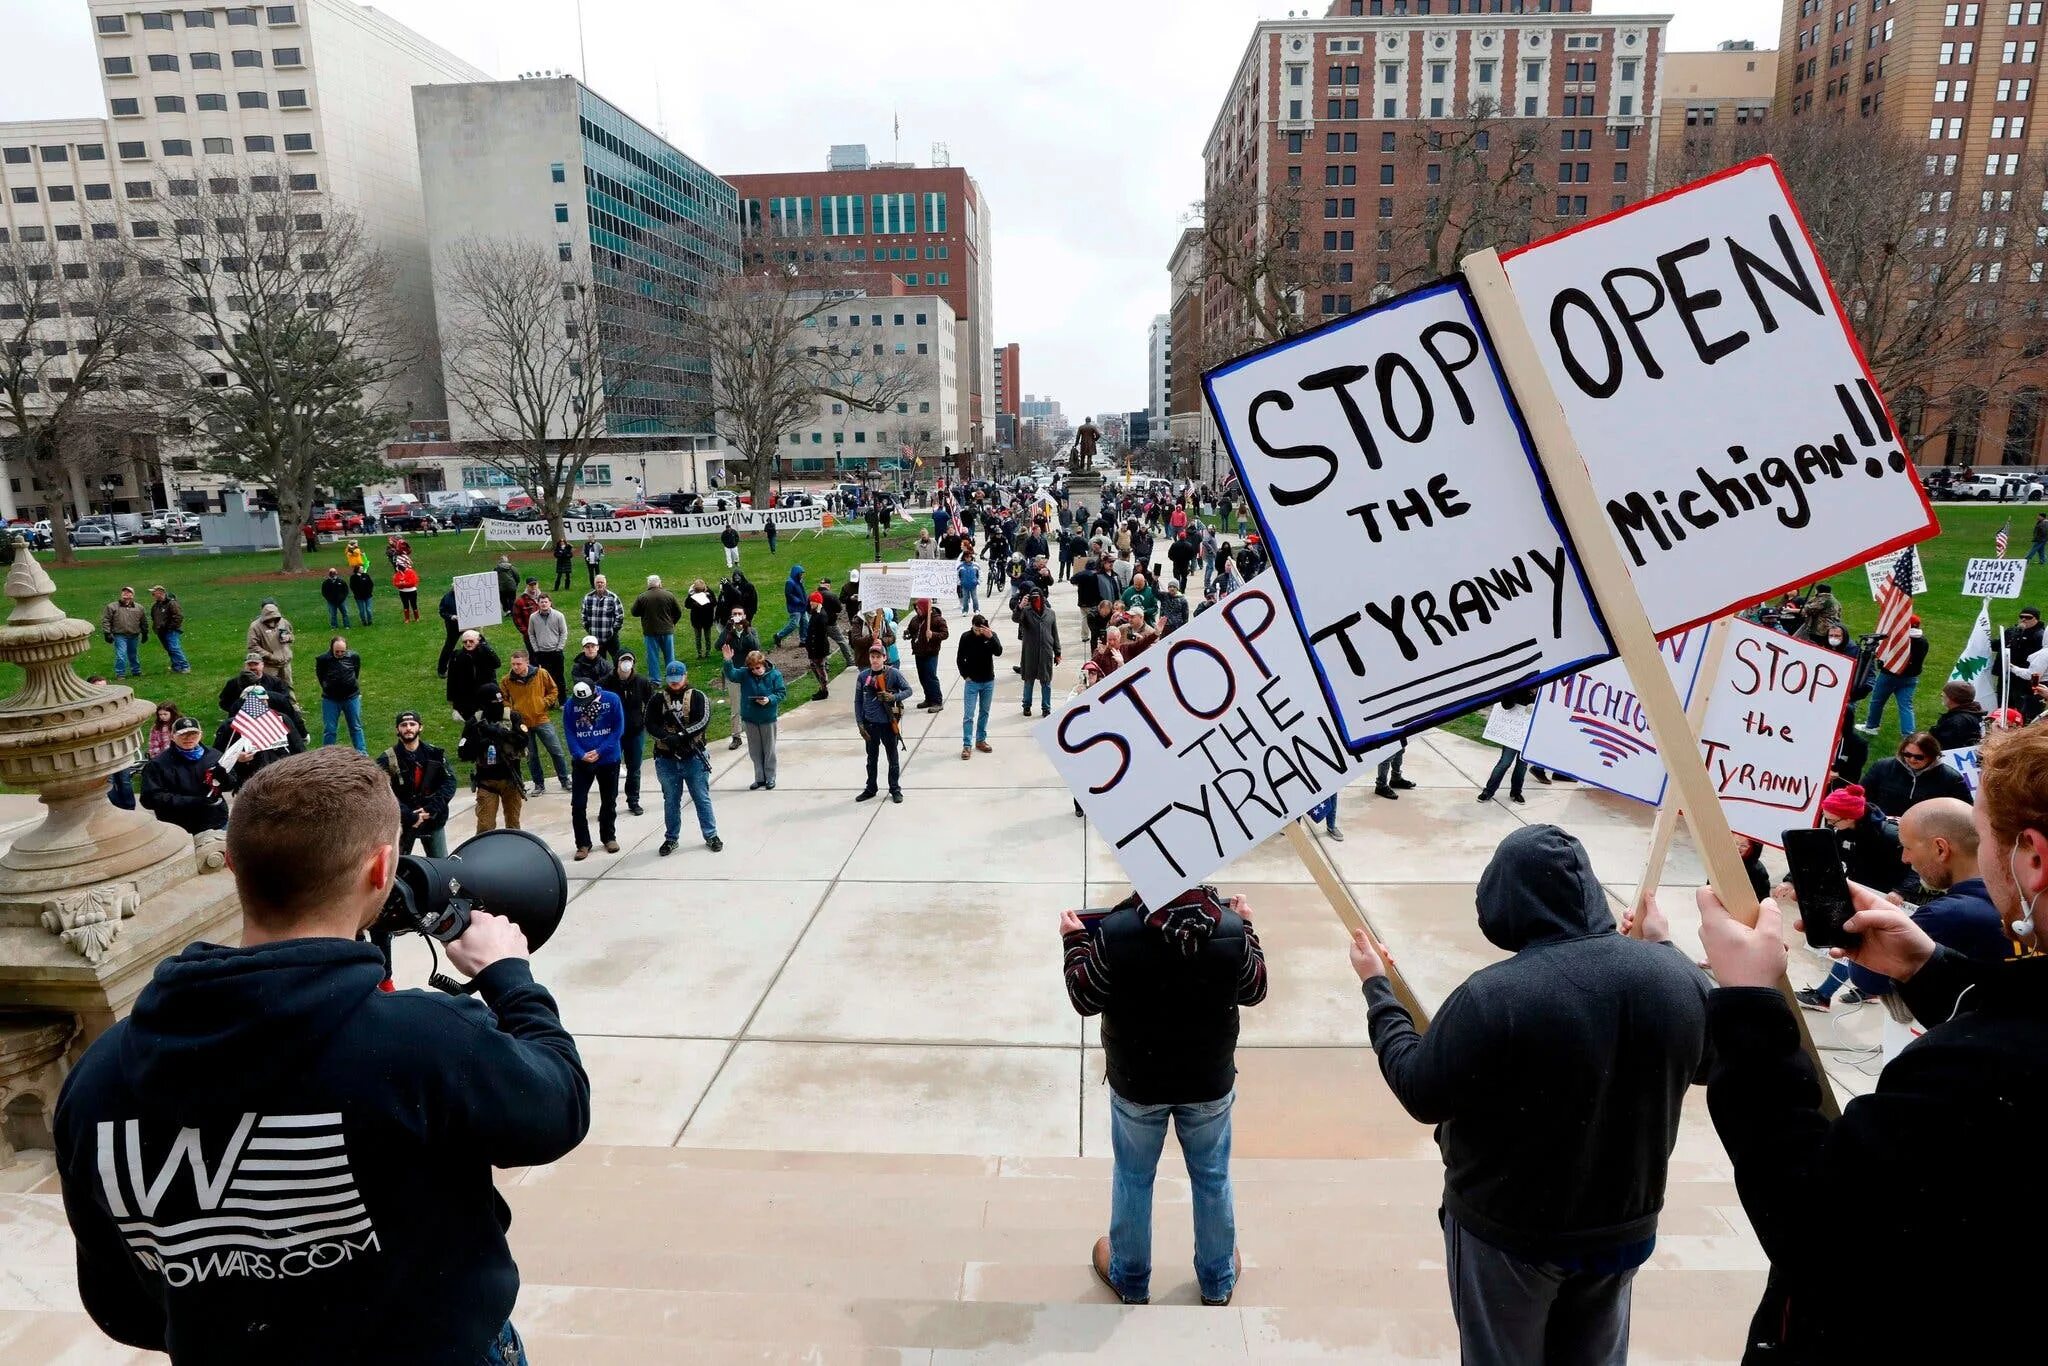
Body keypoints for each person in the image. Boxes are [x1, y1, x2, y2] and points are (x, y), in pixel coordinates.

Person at [53, 749, 588, 1365]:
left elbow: (121, 1305)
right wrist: (509, 979)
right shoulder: (423, 1044)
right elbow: (557, 1108)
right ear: (382, 866)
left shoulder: (98, 1077)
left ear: (232, 865)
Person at [1692, 724, 2048, 1364]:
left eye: (1989, 831)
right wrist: (1932, 969)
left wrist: (1749, 1004)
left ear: (2033, 858)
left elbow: (1813, 1220)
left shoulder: (1974, 1075)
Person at [1349, 825, 1711, 1364]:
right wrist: (1663, 946)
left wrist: (1378, 990)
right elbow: (1712, 1061)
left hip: (1509, 1233)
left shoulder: (1492, 996)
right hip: (1624, 1226)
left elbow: (1420, 1090)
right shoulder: (1676, 978)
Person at [1063, 885, 1266, 1307]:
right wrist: (1247, 928)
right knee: (1212, 1177)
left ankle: (1131, 1279)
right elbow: (1255, 988)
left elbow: (1084, 997)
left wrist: (1074, 942)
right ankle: (1217, 1279)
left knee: (1134, 1177)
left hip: (1138, 1081)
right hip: (1209, 1081)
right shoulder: (1228, 928)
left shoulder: (1116, 931)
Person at [1797, 796, 2011, 1009]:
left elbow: (1870, 980)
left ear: (1940, 849)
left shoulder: (1943, 915)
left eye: (1907, 848)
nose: (1905, 859)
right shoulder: (2024, 901)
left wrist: (1866, 937)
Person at [646, 661, 720, 855]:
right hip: (666, 758)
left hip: (693, 756)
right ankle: (671, 838)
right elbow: (650, 724)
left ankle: (711, 835)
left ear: (685, 676)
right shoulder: (657, 700)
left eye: (678, 680)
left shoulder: (697, 696)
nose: (675, 684)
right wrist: (665, 737)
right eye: (671, 681)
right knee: (670, 800)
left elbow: (702, 721)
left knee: (701, 797)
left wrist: (680, 736)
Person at [138, 715, 236, 834]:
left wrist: (224, 777)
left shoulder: (215, 756)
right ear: (172, 737)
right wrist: (192, 801)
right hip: (178, 827)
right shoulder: (158, 764)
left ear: (201, 735)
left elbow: (230, 785)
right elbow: (149, 799)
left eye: (193, 734)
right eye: (183, 734)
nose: (188, 738)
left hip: (215, 821)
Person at [378, 710, 456, 856]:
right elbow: (382, 791)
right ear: (397, 729)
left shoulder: (435, 754)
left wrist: (431, 809)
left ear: (420, 727)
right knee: (397, 869)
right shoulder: (387, 759)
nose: (408, 728)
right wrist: (409, 815)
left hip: (433, 819)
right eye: (403, 725)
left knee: (440, 864)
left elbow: (449, 782)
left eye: (412, 724)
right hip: (402, 821)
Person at [562, 679, 624, 860]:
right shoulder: (570, 705)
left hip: (607, 758)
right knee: (578, 804)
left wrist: (600, 750)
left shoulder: (611, 700)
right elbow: (569, 731)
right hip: (582, 761)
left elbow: (618, 728)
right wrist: (579, 754)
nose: (581, 705)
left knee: (609, 800)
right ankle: (582, 843)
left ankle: (608, 837)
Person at [460, 682, 530, 833]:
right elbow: (463, 752)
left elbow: (524, 740)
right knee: (485, 826)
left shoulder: (512, 717)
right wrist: (482, 742)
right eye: (493, 702)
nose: (498, 705)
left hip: (511, 780)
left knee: (513, 825)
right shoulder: (474, 722)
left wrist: (500, 733)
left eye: (500, 701)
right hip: (487, 781)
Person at [1860, 731, 1973, 821]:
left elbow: (1965, 812)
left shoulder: (1951, 779)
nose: (1912, 760)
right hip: (1882, 827)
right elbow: (1862, 795)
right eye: (1907, 754)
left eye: (1919, 757)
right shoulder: (1882, 767)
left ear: (1932, 755)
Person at [503, 648, 571, 797]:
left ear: (526, 662)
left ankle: (565, 779)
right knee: (531, 756)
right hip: (522, 724)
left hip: (541, 718)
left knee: (556, 750)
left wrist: (545, 703)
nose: (515, 667)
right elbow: (504, 698)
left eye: (518, 664)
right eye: (513, 664)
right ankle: (538, 784)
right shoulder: (507, 680)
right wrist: (511, 711)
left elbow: (553, 690)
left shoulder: (541, 674)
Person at [853, 641, 913, 804]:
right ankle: (871, 788)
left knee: (892, 758)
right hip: (870, 724)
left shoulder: (893, 674)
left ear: (885, 658)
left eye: (878, 657)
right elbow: (858, 701)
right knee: (871, 759)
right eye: (872, 657)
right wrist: (860, 723)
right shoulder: (863, 676)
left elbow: (908, 690)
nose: (874, 660)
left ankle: (895, 788)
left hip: (888, 723)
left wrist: (893, 697)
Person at [723, 646, 787, 789]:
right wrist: (728, 661)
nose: (755, 671)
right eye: (752, 669)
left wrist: (769, 699)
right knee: (755, 750)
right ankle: (759, 778)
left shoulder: (775, 675)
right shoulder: (745, 674)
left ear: (763, 664)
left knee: (768, 749)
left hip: (767, 718)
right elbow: (732, 675)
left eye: (757, 668)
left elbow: (781, 693)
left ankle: (770, 777)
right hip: (750, 718)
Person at [604, 651, 655, 817]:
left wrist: (645, 721)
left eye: (629, 660)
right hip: (613, 735)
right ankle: (608, 805)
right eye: (623, 660)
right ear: (617, 662)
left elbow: (651, 703)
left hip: (635, 732)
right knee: (611, 770)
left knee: (634, 769)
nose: (626, 663)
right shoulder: (607, 682)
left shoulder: (641, 682)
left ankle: (633, 800)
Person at [1860, 615, 1928, 734]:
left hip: (1889, 676)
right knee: (1906, 706)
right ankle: (1908, 735)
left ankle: (1872, 726)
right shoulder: (1923, 641)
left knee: (1877, 701)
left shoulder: (1898, 641)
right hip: (1910, 678)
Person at [1477, 688, 1539, 805]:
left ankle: (1516, 792)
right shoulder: (1520, 686)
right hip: (1512, 731)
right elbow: (1506, 704)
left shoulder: (1544, 689)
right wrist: (1522, 694)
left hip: (1529, 731)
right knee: (1505, 762)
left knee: (1522, 765)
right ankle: (1488, 791)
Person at [956, 613, 1003, 759]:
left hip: (988, 680)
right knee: (969, 715)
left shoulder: (990, 636)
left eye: (980, 630)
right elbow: (959, 659)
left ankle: (981, 740)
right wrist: (965, 676)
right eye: (976, 629)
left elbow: (999, 652)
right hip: (972, 682)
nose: (978, 633)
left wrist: (991, 637)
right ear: (972, 626)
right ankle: (967, 745)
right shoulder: (965, 637)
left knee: (984, 712)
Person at [716, 607, 762, 752]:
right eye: (734, 614)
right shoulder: (729, 632)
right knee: (736, 707)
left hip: (749, 674)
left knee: (753, 704)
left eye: (739, 614)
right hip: (734, 674)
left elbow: (755, 646)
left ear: (744, 616)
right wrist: (727, 629)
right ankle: (736, 736)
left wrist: (746, 629)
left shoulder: (751, 631)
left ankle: (755, 734)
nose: (737, 616)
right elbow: (718, 645)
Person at [314, 635, 367, 754]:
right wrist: (328, 687)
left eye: (342, 651)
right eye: (336, 651)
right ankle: (327, 755)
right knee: (330, 729)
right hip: (330, 699)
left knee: (356, 727)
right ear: (331, 649)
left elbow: (356, 672)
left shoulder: (354, 657)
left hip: (351, 697)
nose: (339, 654)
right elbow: (320, 676)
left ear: (347, 649)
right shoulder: (323, 659)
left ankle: (362, 753)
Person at [1012, 587, 1059, 718]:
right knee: (1029, 681)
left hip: (1046, 653)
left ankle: (1046, 708)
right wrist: (1020, 606)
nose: (1035, 600)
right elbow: (1015, 618)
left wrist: (1058, 652)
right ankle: (1026, 706)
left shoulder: (1050, 613)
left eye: (1038, 597)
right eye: (1033, 598)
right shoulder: (1026, 612)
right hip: (1030, 653)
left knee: (1046, 682)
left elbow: (1054, 633)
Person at [1996, 604, 2045, 721]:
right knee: (2004, 705)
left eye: (2028, 617)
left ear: (2036, 619)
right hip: (2007, 675)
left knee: (2023, 708)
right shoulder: (2012, 631)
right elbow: (1997, 645)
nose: (2023, 619)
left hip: (2024, 679)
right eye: (2021, 616)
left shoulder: (2039, 635)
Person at [631, 573, 682, 679]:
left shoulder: (642, 597)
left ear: (648, 585)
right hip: (667, 630)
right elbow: (678, 611)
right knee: (670, 656)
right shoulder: (669, 595)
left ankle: (655, 680)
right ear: (659, 583)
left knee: (653, 657)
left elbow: (634, 612)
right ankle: (672, 677)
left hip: (650, 631)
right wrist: (672, 623)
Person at [445, 629, 502, 722]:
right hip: (467, 697)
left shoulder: (484, 652)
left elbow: (497, 663)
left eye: (471, 641)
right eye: (465, 642)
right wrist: (452, 699)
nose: (468, 644)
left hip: (486, 693)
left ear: (478, 641)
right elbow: (452, 679)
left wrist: (485, 647)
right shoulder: (457, 656)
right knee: (472, 725)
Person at [99, 585, 150, 680]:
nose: (126, 593)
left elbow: (144, 621)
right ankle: (120, 674)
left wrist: (145, 633)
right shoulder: (112, 606)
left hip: (134, 635)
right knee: (121, 654)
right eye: (124, 592)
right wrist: (107, 633)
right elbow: (106, 620)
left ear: (133, 595)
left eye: (129, 592)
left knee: (133, 654)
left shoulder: (139, 608)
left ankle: (136, 671)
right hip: (120, 635)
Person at [907, 597, 950, 711]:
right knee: (922, 677)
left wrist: (933, 635)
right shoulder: (916, 619)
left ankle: (937, 702)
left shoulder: (937, 620)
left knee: (931, 677)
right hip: (918, 652)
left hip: (931, 653)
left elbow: (945, 634)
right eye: (916, 608)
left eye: (919, 608)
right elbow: (911, 630)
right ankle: (929, 698)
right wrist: (908, 633)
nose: (918, 610)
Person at [527, 592, 569, 696]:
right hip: (541, 653)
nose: (544, 604)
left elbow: (563, 633)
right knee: (545, 678)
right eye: (542, 602)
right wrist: (536, 649)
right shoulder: (533, 617)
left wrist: (559, 648)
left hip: (556, 652)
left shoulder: (559, 616)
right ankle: (549, 701)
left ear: (550, 603)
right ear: (538, 603)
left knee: (559, 677)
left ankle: (562, 700)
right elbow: (531, 634)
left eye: (546, 602)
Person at [247, 599, 295, 690]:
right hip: (269, 665)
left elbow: (292, 635)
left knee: (288, 687)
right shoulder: (255, 627)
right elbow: (252, 647)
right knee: (269, 689)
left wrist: (288, 637)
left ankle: (292, 704)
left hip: (285, 663)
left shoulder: (283, 622)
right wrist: (270, 656)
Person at [1930, 679, 1987, 751]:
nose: (1942, 695)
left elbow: (1944, 746)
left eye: (1945, 694)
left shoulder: (1956, 721)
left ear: (1953, 698)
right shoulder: (1973, 713)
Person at [580, 573, 624, 664]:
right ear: (594, 584)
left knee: (618, 660)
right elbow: (583, 615)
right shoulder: (588, 597)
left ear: (605, 584)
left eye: (602, 582)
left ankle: (618, 677)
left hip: (611, 636)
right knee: (598, 663)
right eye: (597, 582)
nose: (600, 584)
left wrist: (614, 630)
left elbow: (620, 615)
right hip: (595, 637)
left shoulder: (613, 598)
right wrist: (588, 628)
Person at [146, 585, 190, 674]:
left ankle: (185, 666)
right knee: (169, 649)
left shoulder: (171, 603)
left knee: (174, 648)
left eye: (154, 593)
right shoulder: (156, 605)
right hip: (161, 631)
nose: (152, 595)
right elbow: (153, 617)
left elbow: (178, 616)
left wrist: (171, 627)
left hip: (171, 630)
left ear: (160, 593)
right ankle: (176, 667)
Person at [772, 563, 809, 648]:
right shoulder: (790, 582)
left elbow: (802, 592)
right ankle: (778, 636)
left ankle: (803, 640)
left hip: (802, 606)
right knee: (794, 624)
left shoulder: (799, 581)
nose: (802, 575)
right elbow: (788, 594)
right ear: (796, 573)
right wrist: (798, 601)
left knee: (805, 623)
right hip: (795, 607)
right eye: (801, 573)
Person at [686, 577, 718, 658]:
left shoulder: (709, 593)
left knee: (707, 637)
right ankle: (699, 653)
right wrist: (692, 599)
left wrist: (706, 601)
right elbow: (687, 605)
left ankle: (708, 652)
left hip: (707, 619)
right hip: (696, 619)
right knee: (698, 637)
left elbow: (714, 603)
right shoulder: (692, 594)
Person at [436, 585, 461, 678]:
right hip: (453, 625)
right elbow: (442, 611)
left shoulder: (468, 594)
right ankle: (441, 670)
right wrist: (451, 617)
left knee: (477, 642)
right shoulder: (447, 597)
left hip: (468, 624)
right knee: (449, 646)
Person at [512, 577, 543, 643]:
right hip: (530, 636)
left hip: (545, 634)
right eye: (531, 585)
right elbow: (517, 619)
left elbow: (552, 613)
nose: (533, 587)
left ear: (538, 585)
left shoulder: (544, 598)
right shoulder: (520, 601)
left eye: (535, 584)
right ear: (527, 586)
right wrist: (526, 633)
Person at [392, 558, 422, 623]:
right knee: (405, 605)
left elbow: (413, 582)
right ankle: (407, 619)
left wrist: (403, 584)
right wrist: (400, 584)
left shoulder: (411, 572)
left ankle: (417, 618)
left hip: (412, 591)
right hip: (402, 592)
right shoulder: (397, 574)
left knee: (413, 604)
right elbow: (395, 582)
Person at [958, 551, 981, 615]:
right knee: (965, 598)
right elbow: (957, 574)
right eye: (966, 557)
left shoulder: (976, 565)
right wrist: (959, 582)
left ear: (971, 557)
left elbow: (980, 574)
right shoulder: (960, 566)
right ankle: (965, 610)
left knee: (974, 598)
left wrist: (978, 581)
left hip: (973, 585)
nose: (968, 558)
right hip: (964, 585)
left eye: (969, 557)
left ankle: (976, 609)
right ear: (964, 557)